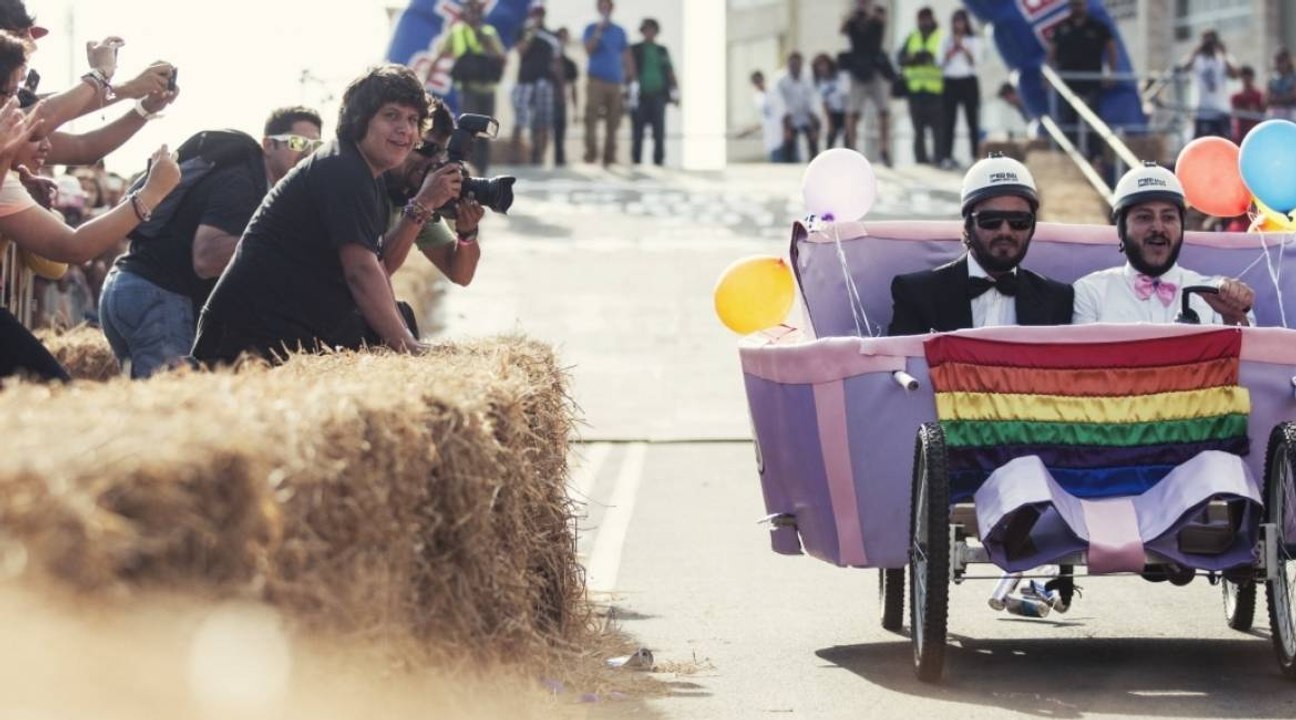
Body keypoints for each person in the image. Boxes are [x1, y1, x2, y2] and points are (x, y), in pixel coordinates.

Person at [192, 64, 431, 364]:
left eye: (413, 120)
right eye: (391, 115)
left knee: (399, 316)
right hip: (248, 338)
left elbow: (377, 270)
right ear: (359, 120)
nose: (405, 129)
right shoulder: (342, 168)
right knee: (393, 335)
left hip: (286, 329)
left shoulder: (365, 175)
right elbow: (360, 271)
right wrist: (408, 347)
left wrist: (404, 337)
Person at [99, 107, 324, 378]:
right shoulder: (243, 183)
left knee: (148, 403)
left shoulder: (255, 182)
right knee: (171, 406)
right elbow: (206, 258)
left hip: (134, 289)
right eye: (297, 143)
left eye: (316, 146)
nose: (307, 153)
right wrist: (281, 246)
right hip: (158, 297)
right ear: (268, 144)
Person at [0, 100, 180, 381]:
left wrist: (141, 102)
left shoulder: (13, 182)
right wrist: (150, 194)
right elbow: (74, 248)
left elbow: (53, 266)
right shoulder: (7, 185)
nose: (48, 147)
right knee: (54, 395)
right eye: (35, 136)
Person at [889, 154, 1073, 335]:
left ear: (1032, 227)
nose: (1005, 231)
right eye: (991, 220)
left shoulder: (1058, 300)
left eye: (1019, 221)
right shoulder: (917, 294)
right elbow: (901, 364)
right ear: (968, 224)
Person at [1073, 162, 1254, 326]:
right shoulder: (1090, 293)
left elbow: (1244, 358)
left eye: (1168, 217)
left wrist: (1233, 316)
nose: (1158, 228)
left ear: (1182, 227)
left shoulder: (1215, 297)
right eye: (1144, 217)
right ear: (1121, 229)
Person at [380, 101, 483, 288]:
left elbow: (461, 275)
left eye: (441, 155)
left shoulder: (412, 195)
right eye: (427, 149)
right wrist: (423, 204)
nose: (432, 162)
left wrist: (467, 234)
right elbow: (372, 273)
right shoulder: (363, 180)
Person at [435, 0, 504, 173]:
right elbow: (442, 53)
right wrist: (426, 77)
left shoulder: (489, 33)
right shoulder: (457, 32)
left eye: (476, 11)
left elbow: (501, 57)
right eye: (469, 11)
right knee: (469, 131)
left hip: (487, 89)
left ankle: (483, 169)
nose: (473, 15)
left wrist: (486, 45)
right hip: (468, 89)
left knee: (487, 130)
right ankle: (470, 169)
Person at [1046, 0, 1117, 157]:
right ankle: (1068, 156)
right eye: (1074, 5)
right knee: (1067, 121)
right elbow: (1051, 52)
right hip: (1067, 84)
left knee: (1093, 122)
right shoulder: (1061, 28)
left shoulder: (1098, 27)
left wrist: (1111, 72)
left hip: (1091, 81)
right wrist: (1049, 76)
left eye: (1080, 4)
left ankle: (1095, 157)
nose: (1077, 8)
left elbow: (1111, 49)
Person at [839, 0, 892, 163]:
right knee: (853, 112)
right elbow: (842, 30)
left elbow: (883, 22)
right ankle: (852, 146)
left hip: (875, 69)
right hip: (857, 71)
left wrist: (870, 14)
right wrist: (853, 16)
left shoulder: (877, 13)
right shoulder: (853, 19)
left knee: (883, 111)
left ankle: (884, 148)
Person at [582, 0, 632, 166]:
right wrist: (598, 31)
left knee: (614, 120)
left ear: (612, 8)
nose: (605, 9)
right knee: (591, 118)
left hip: (615, 82)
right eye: (602, 6)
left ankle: (609, 157)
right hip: (596, 80)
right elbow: (589, 50)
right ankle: (590, 155)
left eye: (607, 6)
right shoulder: (591, 28)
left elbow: (626, 55)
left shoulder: (620, 31)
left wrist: (631, 78)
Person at [510, 2, 558, 166]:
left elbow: (556, 60)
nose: (538, 17)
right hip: (525, 82)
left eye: (541, 14)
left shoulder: (550, 35)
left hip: (544, 83)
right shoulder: (522, 31)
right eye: (535, 14)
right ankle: (516, 157)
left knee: (543, 123)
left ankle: (539, 158)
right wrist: (530, 33)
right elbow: (521, 51)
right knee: (520, 121)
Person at [627, 18, 678, 166]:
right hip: (640, 96)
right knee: (637, 132)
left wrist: (675, 92)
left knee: (659, 132)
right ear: (642, 31)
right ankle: (636, 161)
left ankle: (659, 161)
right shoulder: (635, 49)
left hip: (658, 96)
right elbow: (628, 69)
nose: (649, 32)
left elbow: (670, 72)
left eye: (652, 29)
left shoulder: (662, 50)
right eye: (646, 29)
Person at [897, 7, 943, 165]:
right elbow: (900, 58)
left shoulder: (940, 36)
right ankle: (921, 160)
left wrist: (923, 57)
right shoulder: (912, 37)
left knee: (938, 129)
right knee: (918, 130)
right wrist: (916, 57)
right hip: (915, 90)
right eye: (921, 19)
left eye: (926, 19)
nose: (924, 22)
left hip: (935, 90)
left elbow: (939, 57)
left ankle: (938, 159)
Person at [937, 9, 981, 169]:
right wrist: (953, 49)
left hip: (968, 81)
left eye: (961, 21)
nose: (959, 25)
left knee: (972, 120)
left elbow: (975, 61)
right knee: (949, 120)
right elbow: (940, 62)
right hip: (951, 82)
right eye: (956, 21)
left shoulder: (973, 40)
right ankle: (947, 156)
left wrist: (962, 47)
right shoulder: (946, 40)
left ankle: (975, 155)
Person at [1178, 30, 1237, 139]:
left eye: (1211, 40)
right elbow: (1182, 68)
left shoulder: (1223, 58)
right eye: (1206, 40)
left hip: (1221, 111)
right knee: (1200, 145)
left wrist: (1223, 52)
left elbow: (1235, 74)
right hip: (1201, 112)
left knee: (1224, 144)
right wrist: (1196, 51)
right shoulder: (1197, 58)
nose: (1209, 43)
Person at [775, 51, 819, 163]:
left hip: (806, 115)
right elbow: (781, 103)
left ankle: (814, 163)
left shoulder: (808, 78)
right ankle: (788, 165)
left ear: (801, 64)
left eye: (797, 63)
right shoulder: (781, 80)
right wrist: (787, 126)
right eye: (792, 64)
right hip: (790, 117)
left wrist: (813, 124)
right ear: (788, 64)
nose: (795, 66)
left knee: (813, 142)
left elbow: (812, 100)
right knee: (788, 144)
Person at [551, 27, 578, 166]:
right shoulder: (546, 60)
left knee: (560, 133)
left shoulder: (569, 63)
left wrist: (575, 109)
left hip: (561, 102)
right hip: (548, 101)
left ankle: (559, 160)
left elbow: (573, 87)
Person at [747, 70, 787, 162]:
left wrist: (786, 132)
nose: (758, 84)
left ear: (763, 80)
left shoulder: (774, 93)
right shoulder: (757, 98)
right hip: (768, 138)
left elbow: (784, 113)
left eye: (759, 80)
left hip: (779, 136)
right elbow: (763, 119)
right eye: (755, 82)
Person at [811, 53, 847, 150]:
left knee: (847, 137)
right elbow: (824, 103)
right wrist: (830, 122)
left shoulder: (840, 76)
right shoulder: (821, 82)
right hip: (832, 113)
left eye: (823, 64)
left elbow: (845, 95)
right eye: (818, 66)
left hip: (845, 111)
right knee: (831, 138)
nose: (821, 68)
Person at [1231, 65, 1264, 143]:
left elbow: (1262, 110)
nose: (1246, 79)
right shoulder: (1236, 96)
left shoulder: (1259, 95)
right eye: (1244, 77)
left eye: (1248, 77)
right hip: (1241, 133)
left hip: (1255, 132)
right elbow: (1236, 111)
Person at [1267, 48, 1296, 121]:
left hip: (1290, 114)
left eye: (1282, 61)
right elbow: (1267, 98)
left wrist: (1278, 99)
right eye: (1277, 61)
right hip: (1274, 114)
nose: (1279, 64)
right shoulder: (1272, 79)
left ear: (1288, 61)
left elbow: (1293, 96)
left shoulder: (1293, 78)